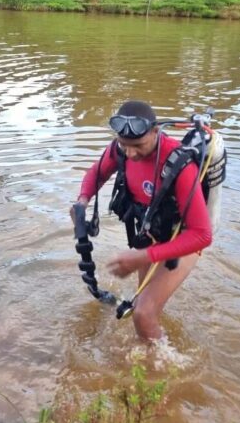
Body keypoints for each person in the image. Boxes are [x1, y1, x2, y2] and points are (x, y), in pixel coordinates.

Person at [71, 100, 212, 340]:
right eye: (124, 145)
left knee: (143, 313)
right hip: (150, 234)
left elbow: (202, 235)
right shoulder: (121, 149)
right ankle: (149, 351)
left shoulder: (179, 165)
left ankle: (159, 370)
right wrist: (82, 201)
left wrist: (141, 256)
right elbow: (97, 172)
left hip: (184, 239)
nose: (130, 153)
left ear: (156, 132)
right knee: (144, 302)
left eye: (138, 145)